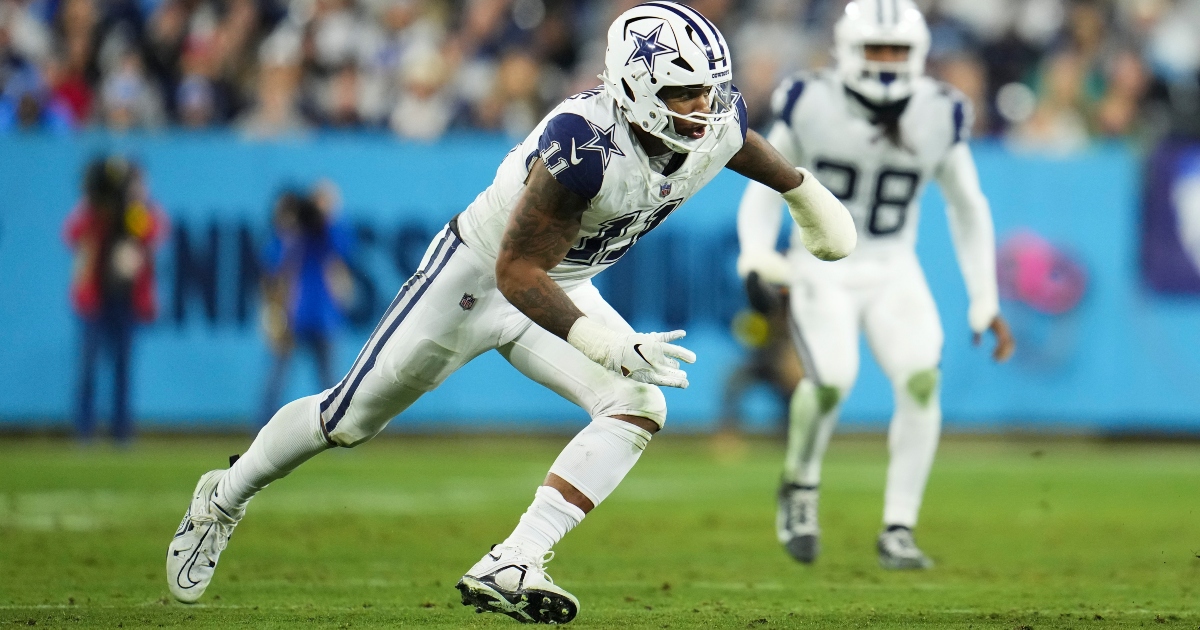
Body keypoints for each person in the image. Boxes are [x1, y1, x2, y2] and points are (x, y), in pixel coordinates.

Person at [166, 2, 856, 624]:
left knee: (639, 405)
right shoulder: (582, 148)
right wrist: (604, 342)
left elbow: (738, 141)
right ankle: (223, 496)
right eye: (682, 91)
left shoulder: (711, 123)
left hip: (564, 282)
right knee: (347, 419)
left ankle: (515, 558)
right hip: (476, 278)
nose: (701, 105)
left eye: (708, 87)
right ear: (635, 90)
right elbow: (515, 271)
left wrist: (802, 192)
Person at [736, 0, 1015, 571]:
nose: (887, 62)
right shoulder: (810, 100)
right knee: (832, 382)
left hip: (892, 267)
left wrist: (985, 298)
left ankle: (899, 527)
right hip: (820, 265)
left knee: (919, 382)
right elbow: (765, 180)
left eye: (897, 51)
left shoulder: (940, 110)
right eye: (876, 50)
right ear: (848, 50)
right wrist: (757, 254)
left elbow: (969, 208)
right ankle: (800, 485)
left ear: (917, 55)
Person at [64, 156, 168, 442]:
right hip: (96, 300)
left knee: (122, 369)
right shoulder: (95, 210)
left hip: (126, 301)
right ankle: (84, 431)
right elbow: (72, 234)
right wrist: (96, 202)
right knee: (88, 368)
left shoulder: (138, 212)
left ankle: (121, 432)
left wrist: (134, 203)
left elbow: (153, 232)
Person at [257, 188, 355, 427]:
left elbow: (344, 246)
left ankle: (337, 434)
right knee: (277, 382)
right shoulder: (291, 238)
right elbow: (272, 270)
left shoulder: (323, 236)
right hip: (296, 317)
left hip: (318, 316)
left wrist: (324, 218)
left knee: (329, 384)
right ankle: (261, 432)